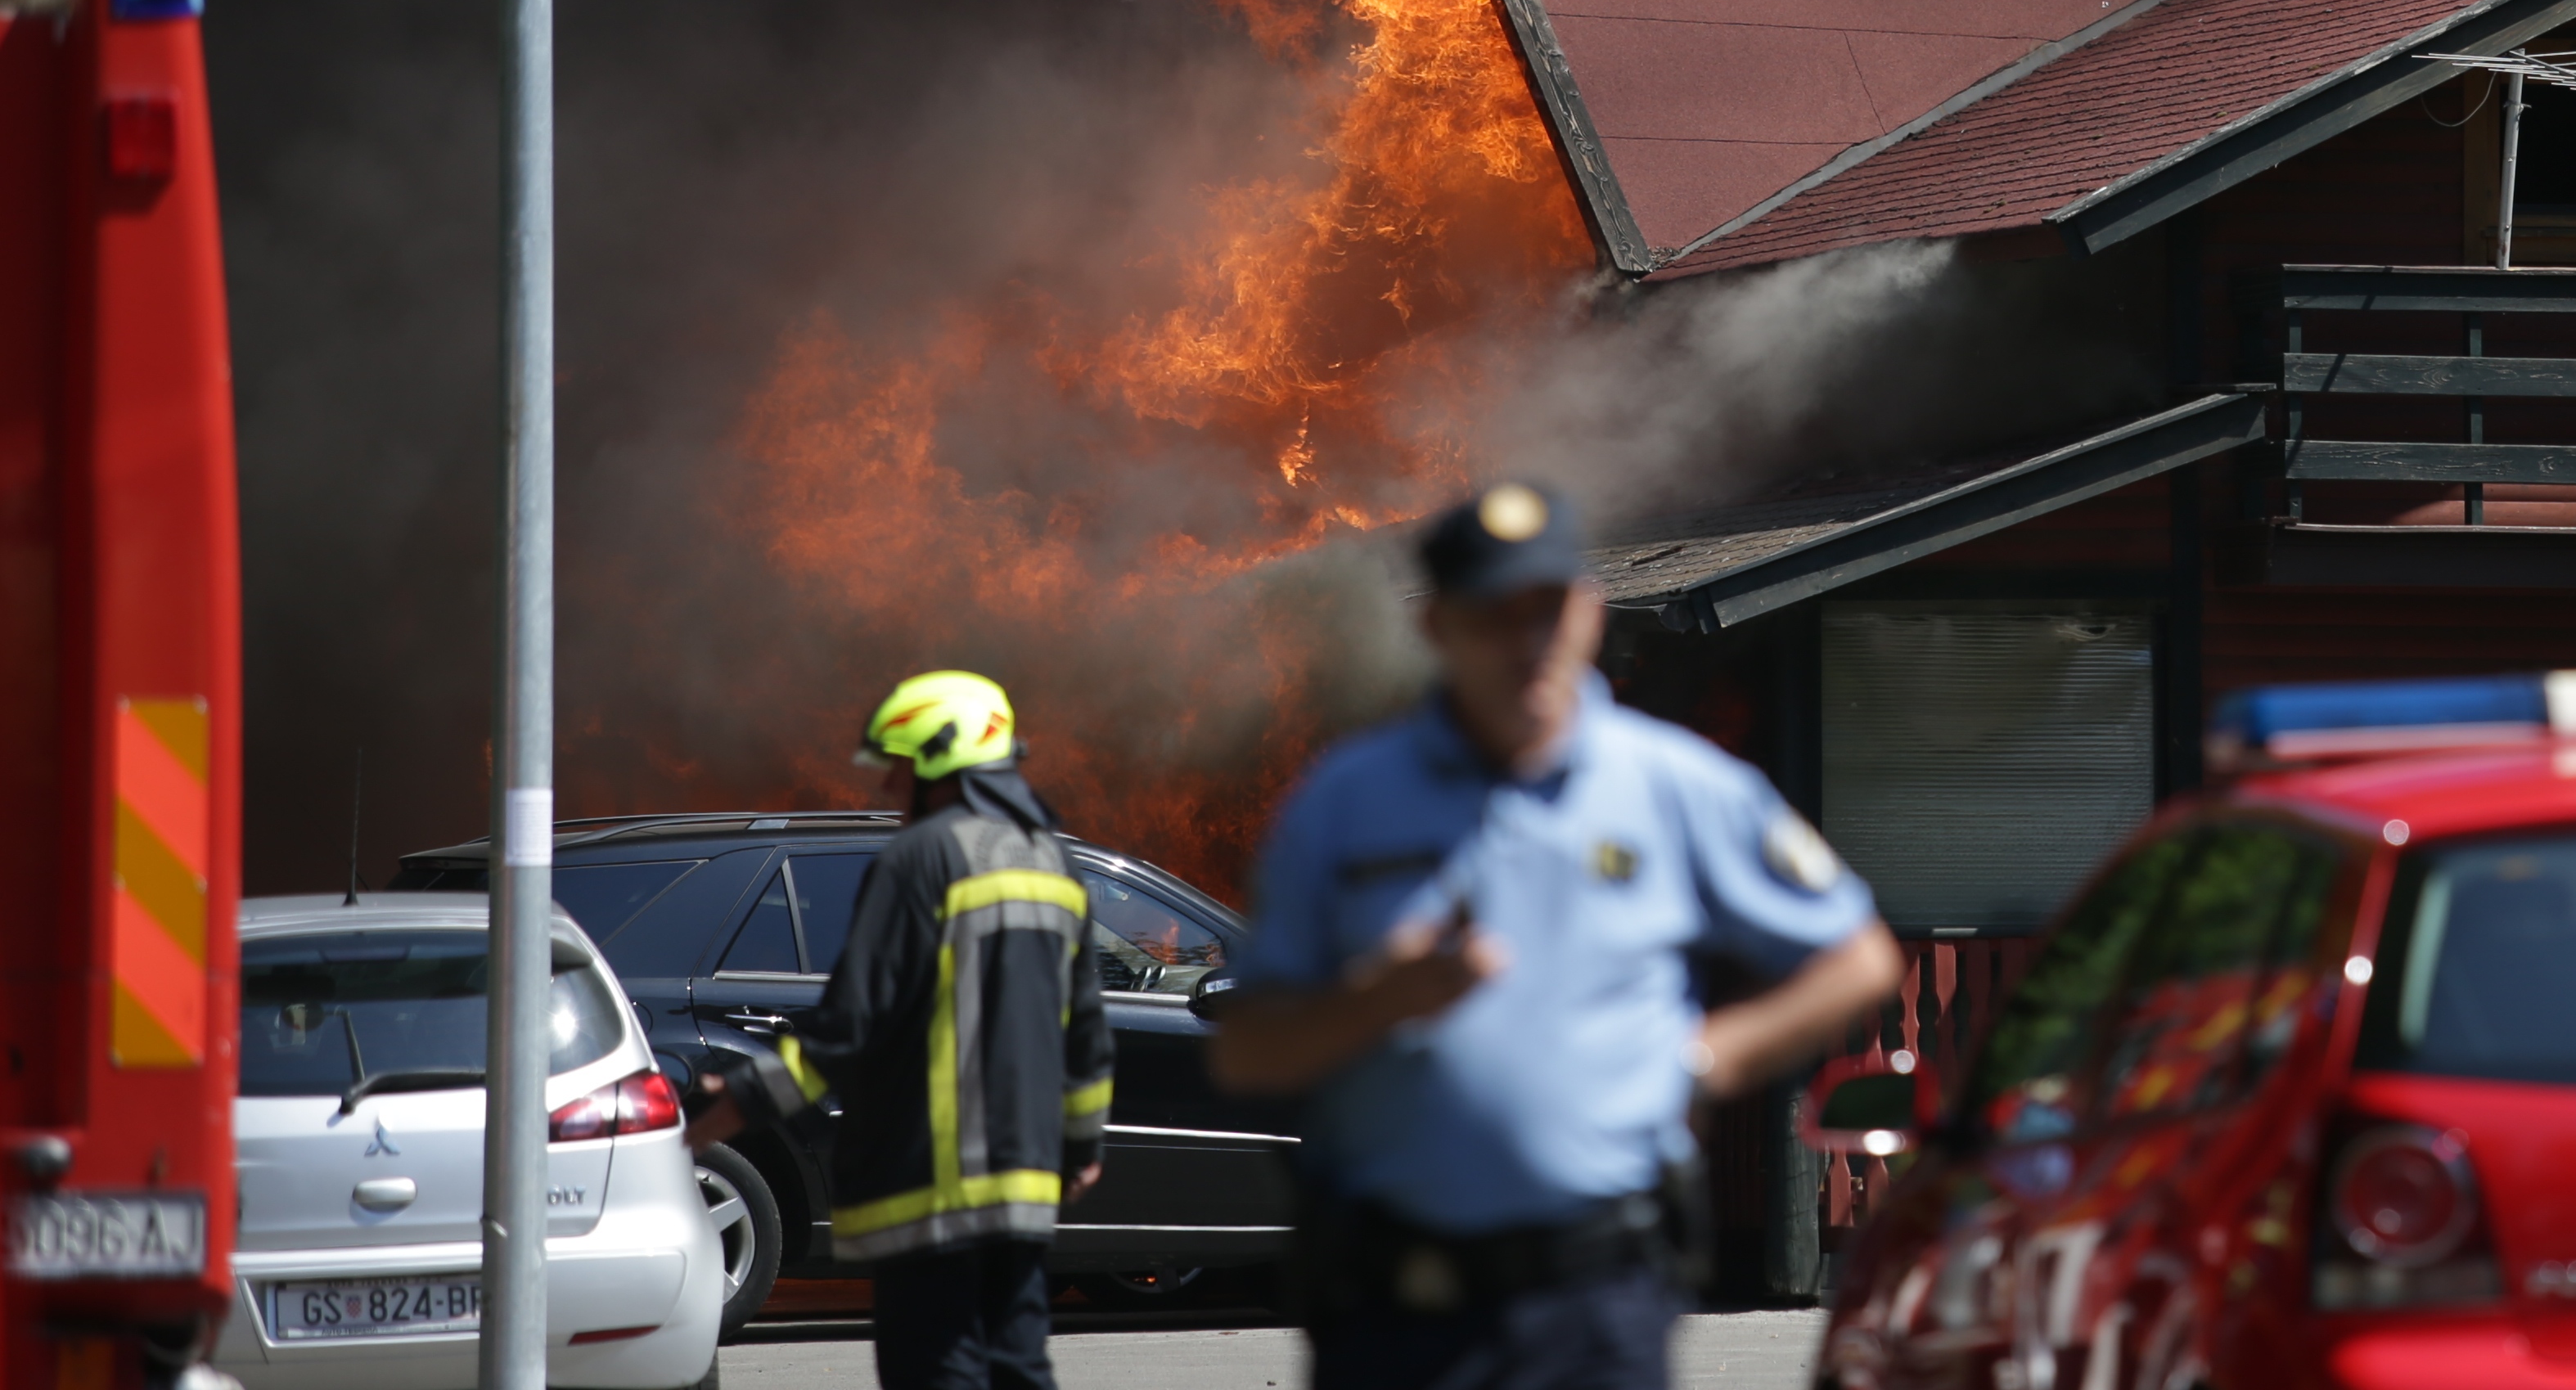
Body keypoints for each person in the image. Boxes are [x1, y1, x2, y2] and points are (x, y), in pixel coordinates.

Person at [1209, 479, 1905, 1390]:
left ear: (1587, 609)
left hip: (1595, 1307)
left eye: (1546, 608)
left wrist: (1701, 1060)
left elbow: (1856, 957)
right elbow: (1247, 1054)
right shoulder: (1343, 803)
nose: (1526, 640)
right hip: (1393, 1314)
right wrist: (1378, 1002)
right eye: (1493, 614)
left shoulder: (1674, 787)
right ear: (1436, 627)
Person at [687, 670, 1114, 1390]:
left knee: (937, 1372)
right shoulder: (1053, 862)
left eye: (902, 765)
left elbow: (851, 1022)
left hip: (932, 1183)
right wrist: (1081, 1146)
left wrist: (741, 1101)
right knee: (1016, 1366)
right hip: (1023, 1181)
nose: (889, 785)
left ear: (945, 762)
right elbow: (1086, 1032)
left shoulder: (920, 860)